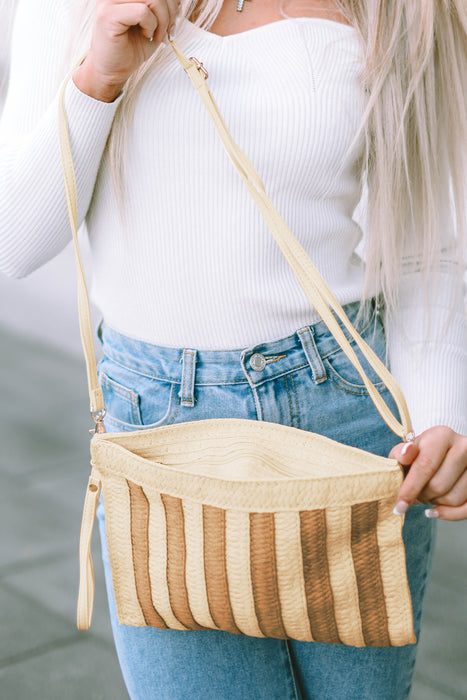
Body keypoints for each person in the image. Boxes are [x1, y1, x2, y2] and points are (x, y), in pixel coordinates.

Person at [1, 0, 466, 698]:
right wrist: (97, 77)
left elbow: (424, 248)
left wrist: (442, 416)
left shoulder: (403, 10)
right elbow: (15, 241)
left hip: (349, 415)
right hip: (163, 431)